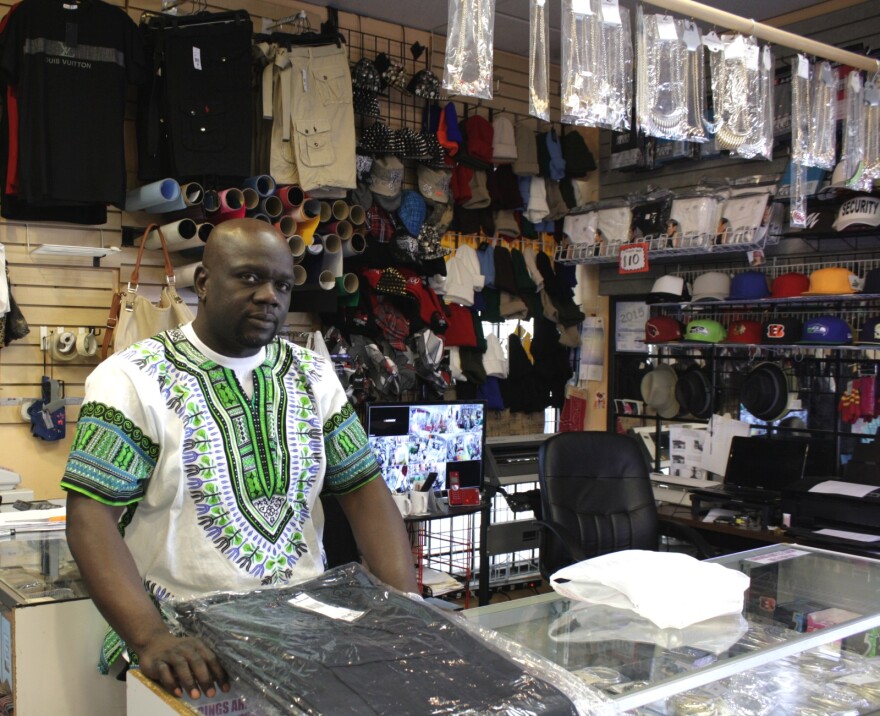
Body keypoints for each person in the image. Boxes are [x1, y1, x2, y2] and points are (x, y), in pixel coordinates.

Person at [62, 219, 418, 701]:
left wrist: (404, 607)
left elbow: (363, 491)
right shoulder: (132, 377)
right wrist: (149, 637)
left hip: (306, 632)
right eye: (250, 277)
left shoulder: (313, 375)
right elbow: (90, 517)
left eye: (283, 284)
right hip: (189, 641)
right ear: (204, 284)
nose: (269, 295)